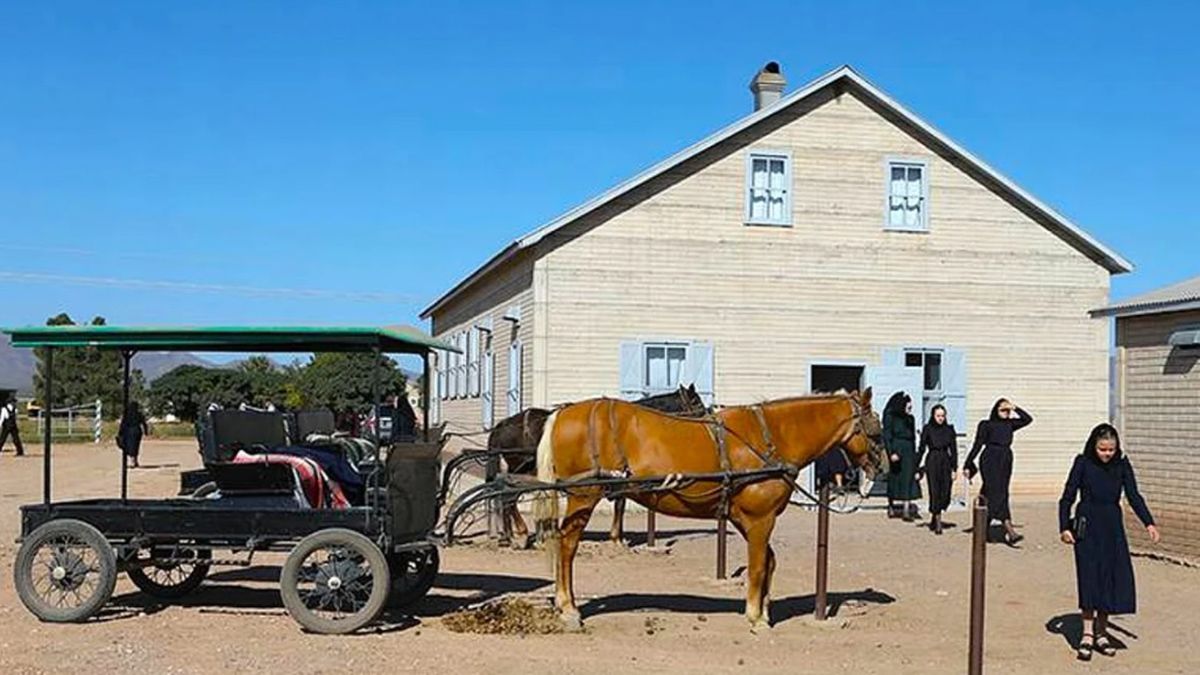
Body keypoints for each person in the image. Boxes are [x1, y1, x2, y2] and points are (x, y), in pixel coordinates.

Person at [1059, 423, 1160, 661]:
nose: (1106, 454)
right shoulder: (1082, 463)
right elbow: (1067, 496)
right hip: (1087, 526)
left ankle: (1101, 632)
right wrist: (1064, 526)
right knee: (1090, 577)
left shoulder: (1122, 465)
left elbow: (1134, 495)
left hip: (1112, 526)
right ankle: (1086, 634)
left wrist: (1149, 523)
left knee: (1110, 578)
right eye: (1102, 449)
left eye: (1111, 450)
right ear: (1094, 446)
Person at [964, 398, 1032, 546]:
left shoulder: (1010, 424)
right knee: (998, 492)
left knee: (993, 492)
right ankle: (1009, 529)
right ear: (995, 410)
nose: (1006, 413)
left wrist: (1014, 407)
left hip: (1005, 459)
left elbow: (1028, 419)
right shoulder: (986, 424)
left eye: (1008, 410)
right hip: (990, 458)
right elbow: (978, 444)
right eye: (1003, 409)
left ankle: (983, 529)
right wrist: (968, 463)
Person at [917, 403, 957, 534]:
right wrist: (917, 467)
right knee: (935, 491)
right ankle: (938, 522)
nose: (940, 418)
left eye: (943, 416)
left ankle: (935, 515)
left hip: (945, 460)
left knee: (945, 491)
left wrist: (954, 468)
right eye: (938, 415)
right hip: (933, 460)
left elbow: (954, 450)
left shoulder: (950, 429)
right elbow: (922, 449)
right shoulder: (928, 429)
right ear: (933, 416)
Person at [883, 392, 921, 521]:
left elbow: (913, 437)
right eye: (908, 405)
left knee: (908, 477)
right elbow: (887, 436)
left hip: (909, 449)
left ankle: (906, 509)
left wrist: (915, 454)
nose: (910, 408)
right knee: (895, 478)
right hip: (896, 448)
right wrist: (891, 452)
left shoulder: (910, 419)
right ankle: (891, 506)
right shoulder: (891, 417)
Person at [117, 401, 150, 469]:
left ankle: (131, 461)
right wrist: (146, 431)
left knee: (128, 446)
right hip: (137, 431)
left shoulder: (126, 414)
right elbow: (144, 423)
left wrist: (120, 432)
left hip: (128, 431)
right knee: (136, 446)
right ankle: (134, 460)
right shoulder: (139, 414)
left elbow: (123, 424)